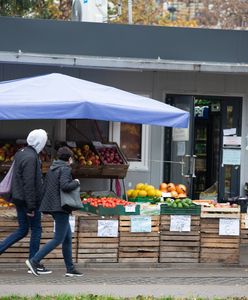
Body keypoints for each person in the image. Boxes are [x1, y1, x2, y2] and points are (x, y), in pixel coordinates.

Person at [26, 146, 83, 277]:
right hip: (61, 207)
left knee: (67, 238)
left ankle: (70, 269)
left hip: (53, 206)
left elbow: (45, 187)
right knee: (58, 239)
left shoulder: (52, 168)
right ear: (69, 159)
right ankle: (34, 261)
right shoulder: (65, 169)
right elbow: (65, 186)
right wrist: (76, 182)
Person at [0, 129, 51, 274]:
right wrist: (31, 207)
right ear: (39, 142)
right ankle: (33, 262)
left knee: (23, 230)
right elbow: (29, 183)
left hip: (18, 198)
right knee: (36, 229)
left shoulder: (21, 152)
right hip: (28, 201)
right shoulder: (31, 157)